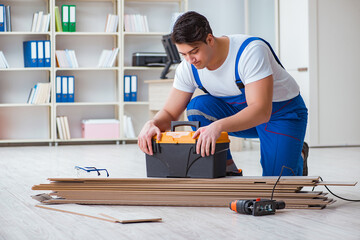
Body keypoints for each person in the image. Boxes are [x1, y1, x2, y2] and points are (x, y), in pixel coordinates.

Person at [138, 11, 308, 176]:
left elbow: (261, 111)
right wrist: (152, 123)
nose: (190, 60)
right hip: (242, 115)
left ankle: (296, 153)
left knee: (276, 185)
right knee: (198, 107)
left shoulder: (250, 51)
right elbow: (169, 112)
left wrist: (218, 127)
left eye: (194, 51)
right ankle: (227, 168)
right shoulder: (188, 67)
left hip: (281, 114)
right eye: (183, 54)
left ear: (210, 39)